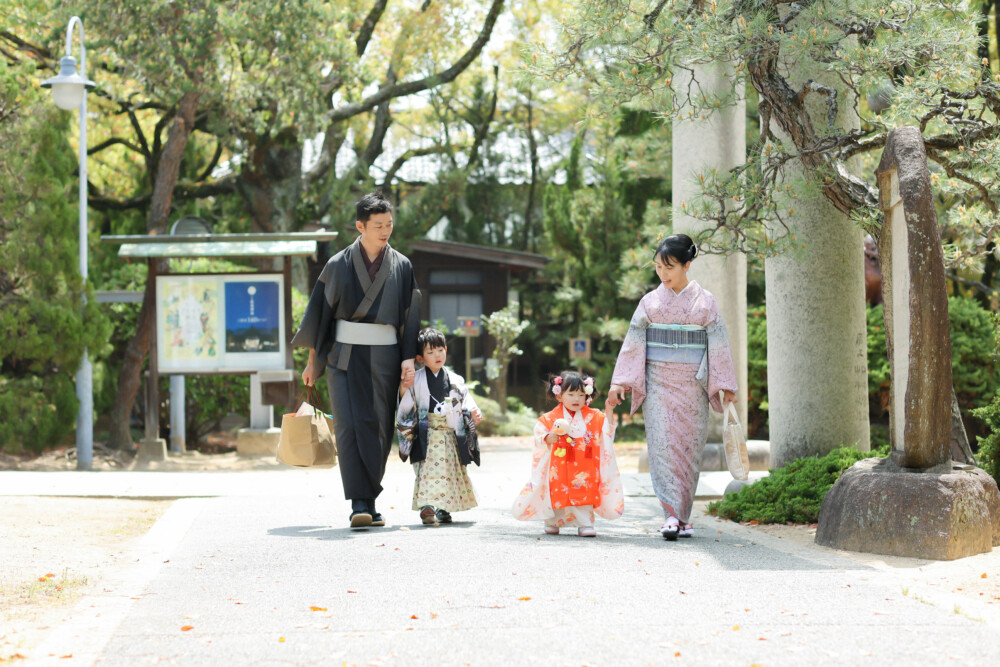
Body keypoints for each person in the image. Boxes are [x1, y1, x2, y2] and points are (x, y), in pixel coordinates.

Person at [292, 191, 421, 528]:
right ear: (360, 226)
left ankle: (372, 499)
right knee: (349, 427)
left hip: (385, 357)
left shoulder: (402, 266)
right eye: (378, 225)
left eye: (389, 224)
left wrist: (408, 359)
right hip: (343, 358)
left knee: (378, 425)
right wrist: (312, 362)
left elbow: (410, 317)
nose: (385, 231)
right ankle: (359, 503)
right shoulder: (337, 265)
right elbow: (320, 316)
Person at [606, 234, 737, 541]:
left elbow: (719, 345)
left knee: (689, 451)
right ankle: (670, 515)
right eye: (659, 267)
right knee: (663, 448)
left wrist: (725, 385)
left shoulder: (705, 302)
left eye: (670, 267)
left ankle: (684, 515)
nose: (663, 274)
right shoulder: (649, 303)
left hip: (693, 385)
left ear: (687, 265)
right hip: (658, 385)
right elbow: (634, 344)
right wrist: (620, 382)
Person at [512, 371, 624, 537]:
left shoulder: (594, 416)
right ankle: (553, 521)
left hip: (585, 465)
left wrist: (609, 410)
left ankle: (585, 523)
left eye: (580, 394)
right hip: (559, 464)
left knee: (584, 490)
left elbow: (605, 432)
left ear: (587, 396)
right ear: (559, 396)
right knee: (557, 490)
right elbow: (539, 435)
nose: (576, 399)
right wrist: (548, 437)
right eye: (571, 394)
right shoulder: (549, 418)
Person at [396, 327, 482, 525]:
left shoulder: (456, 379)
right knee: (426, 469)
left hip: (450, 431)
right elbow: (406, 404)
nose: (437, 355)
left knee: (449, 469)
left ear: (446, 349)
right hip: (426, 432)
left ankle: (445, 507)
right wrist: (403, 387)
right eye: (430, 352)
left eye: (440, 350)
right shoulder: (416, 379)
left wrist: (473, 412)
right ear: (420, 357)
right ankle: (427, 506)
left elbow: (465, 401)